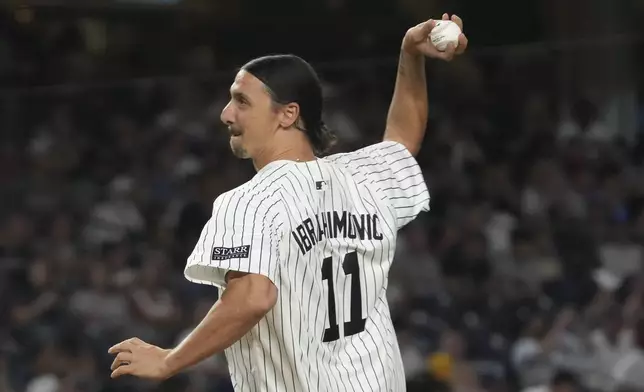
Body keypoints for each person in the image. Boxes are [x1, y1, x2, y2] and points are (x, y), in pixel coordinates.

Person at [108, 14, 468, 392]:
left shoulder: (250, 201)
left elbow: (252, 298)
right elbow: (403, 139)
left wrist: (169, 360)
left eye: (241, 101)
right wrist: (410, 55)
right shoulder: (365, 178)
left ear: (288, 113)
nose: (226, 114)